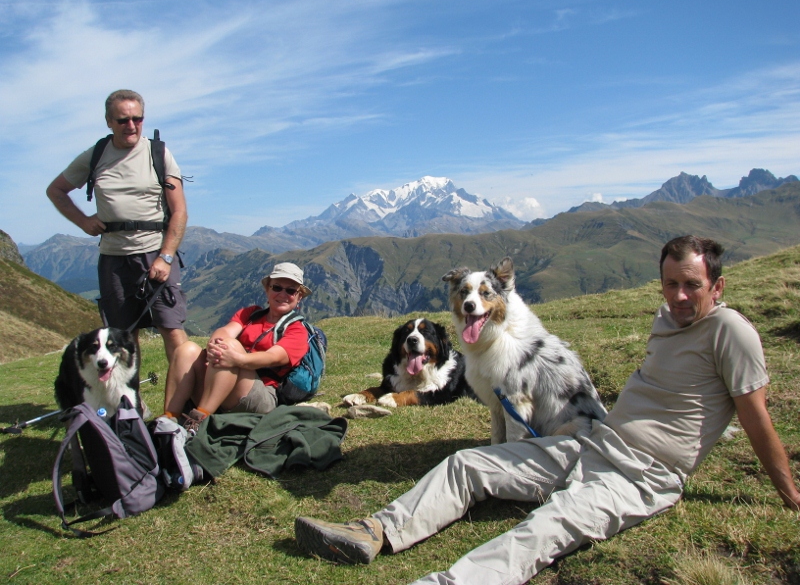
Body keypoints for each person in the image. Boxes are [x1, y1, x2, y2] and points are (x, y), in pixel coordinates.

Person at [294, 235, 800, 584]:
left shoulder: (730, 331)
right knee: (467, 462)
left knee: (546, 526)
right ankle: (372, 531)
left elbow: (755, 414)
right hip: (593, 442)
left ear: (718, 285)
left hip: (644, 475)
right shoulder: (667, 319)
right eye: (671, 284)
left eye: (693, 284)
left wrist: (789, 493)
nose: (680, 295)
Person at [46, 89, 189, 361]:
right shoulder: (95, 156)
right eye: (123, 120)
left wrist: (166, 257)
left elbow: (179, 211)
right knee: (122, 334)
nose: (131, 126)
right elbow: (56, 190)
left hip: (155, 254)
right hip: (113, 258)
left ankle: (184, 401)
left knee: (171, 328)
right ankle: (128, 402)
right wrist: (83, 221)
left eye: (138, 118)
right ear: (108, 121)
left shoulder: (158, 153)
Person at [162, 262, 311, 434]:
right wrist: (215, 343)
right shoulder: (251, 314)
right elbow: (225, 331)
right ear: (267, 290)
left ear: (299, 297)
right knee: (186, 349)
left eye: (291, 290)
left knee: (230, 346)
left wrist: (238, 359)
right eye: (277, 287)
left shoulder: (297, 330)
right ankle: (169, 419)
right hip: (226, 384)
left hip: (261, 396)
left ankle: (197, 422)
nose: (283, 294)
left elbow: (274, 357)